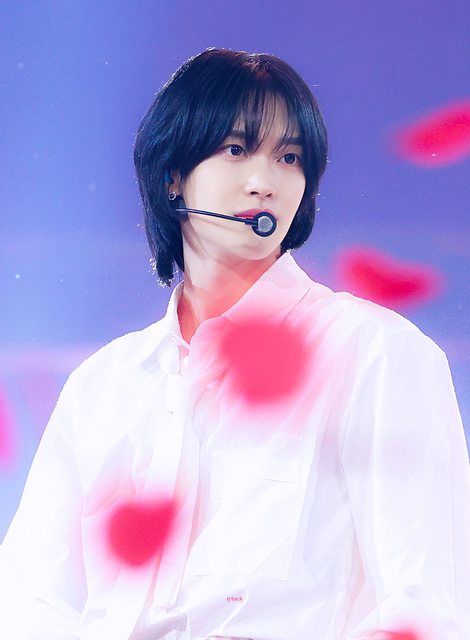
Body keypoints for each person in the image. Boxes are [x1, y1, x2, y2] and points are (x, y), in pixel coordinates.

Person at [1, 47, 469, 640]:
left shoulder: (377, 355)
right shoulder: (102, 386)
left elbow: (426, 606)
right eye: (236, 149)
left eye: (289, 158)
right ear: (174, 175)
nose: (264, 182)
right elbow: (28, 602)